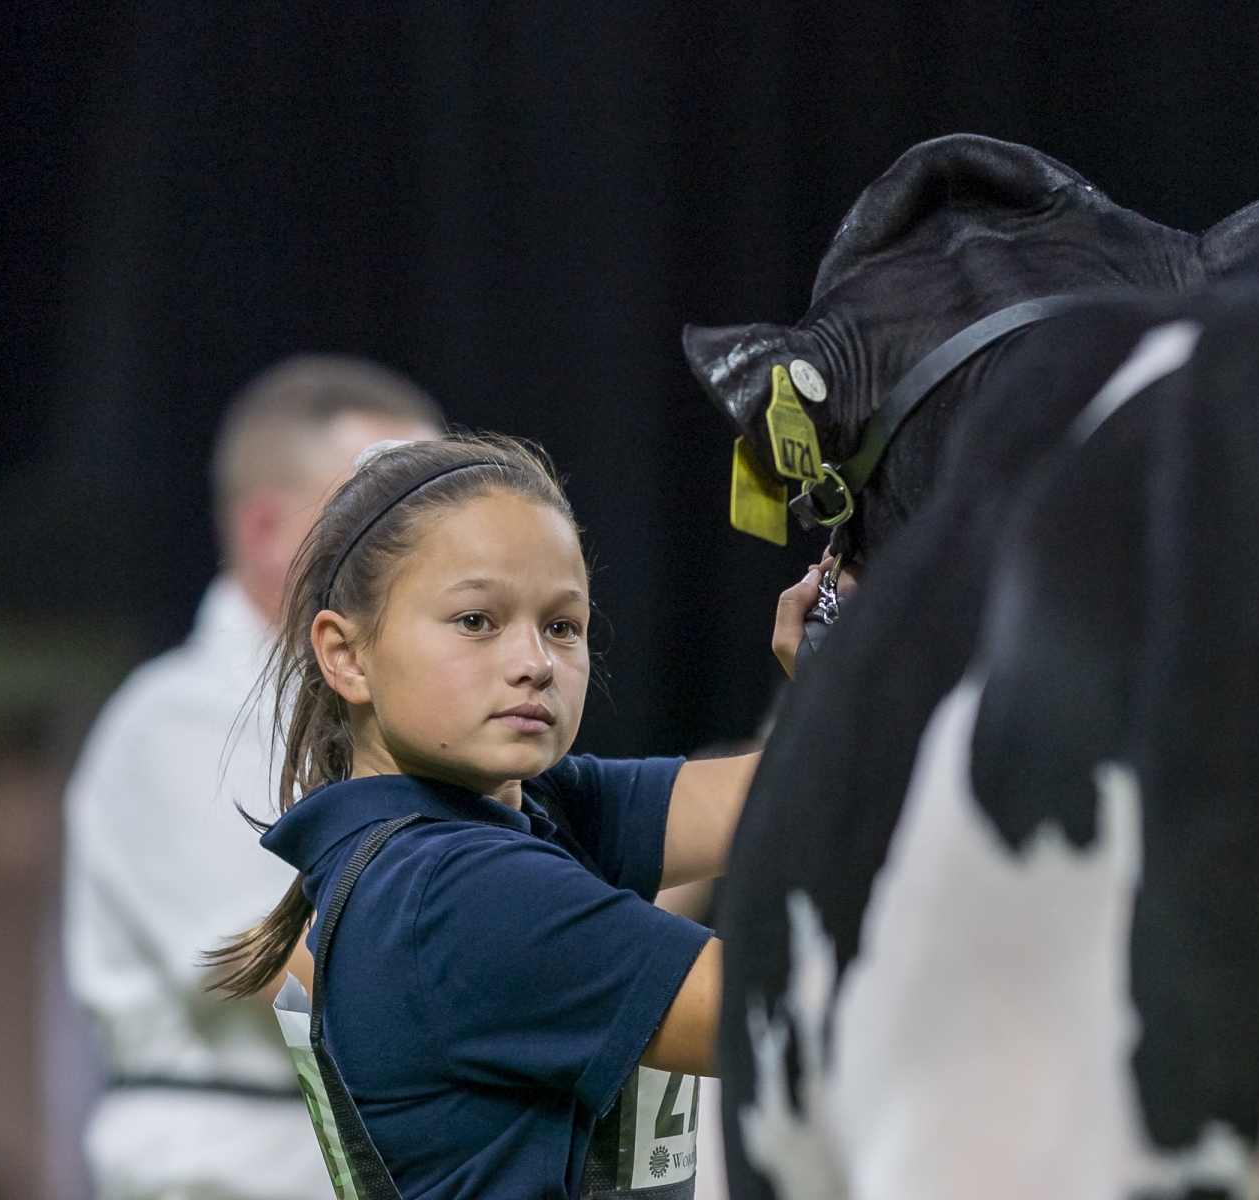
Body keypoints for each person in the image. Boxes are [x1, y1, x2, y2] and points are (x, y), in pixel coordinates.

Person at [210, 433, 817, 1199]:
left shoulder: (515, 815)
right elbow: (805, 1018)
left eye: (563, 626)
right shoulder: (453, 893)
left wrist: (850, 663)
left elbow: (808, 792)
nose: (534, 662)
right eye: (476, 621)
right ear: (347, 655)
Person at [63, 355, 446, 1200]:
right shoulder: (177, 716)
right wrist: (544, 955)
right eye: (388, 520)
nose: (435, 551)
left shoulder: (401, 722)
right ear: (270, 531)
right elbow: (268, 963)